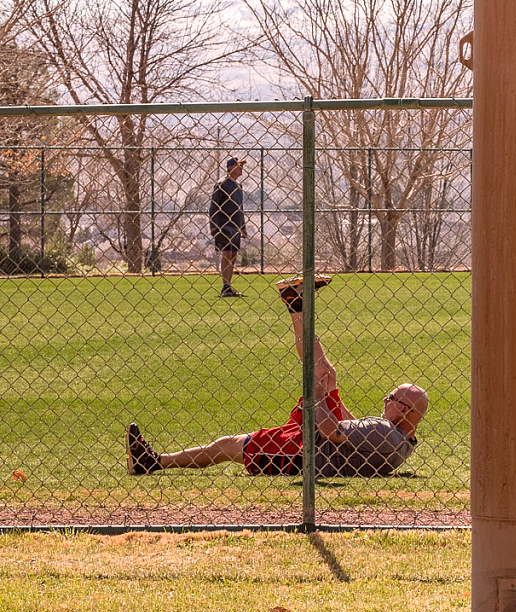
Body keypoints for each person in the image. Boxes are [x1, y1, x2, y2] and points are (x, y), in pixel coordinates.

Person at [127, 275, 429, 477]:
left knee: (229, 446)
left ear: (404, 409)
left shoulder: (386, 431)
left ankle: (154, 462)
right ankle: (297, 304)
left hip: (302, 453)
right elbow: (347, 432)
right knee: (327, 371)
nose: (385, 399)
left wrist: (315, 396)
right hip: (321, 445)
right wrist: (328, 391)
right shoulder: (400, 438)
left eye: (391, 397)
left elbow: (331, 431)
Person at [209, 157, 248, 297]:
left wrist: (242, 227)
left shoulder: (238, 187)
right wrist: (214, 227)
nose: (241, 168)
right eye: (238, 165)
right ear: (230, 167)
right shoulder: (221, 184)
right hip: (223, 225)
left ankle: (228, 286)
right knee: (226, 254)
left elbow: (240, 208)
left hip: (235, 227)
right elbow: (214, 206)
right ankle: (225, 286)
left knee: (233, 255)